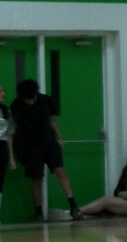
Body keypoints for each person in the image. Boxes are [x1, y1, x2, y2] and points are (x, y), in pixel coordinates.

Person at [9, 79, 82, 221]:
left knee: (60, 170)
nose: (30, 102)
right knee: (36, 179)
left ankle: (73, 205)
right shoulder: (16, 105)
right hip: (30, 146)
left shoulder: (45, 100)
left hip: (49, 141)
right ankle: (38, 213)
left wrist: (60, 138)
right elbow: (13, 129)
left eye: (32, 99)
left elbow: (51, 120)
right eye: (27, 100)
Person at [0, 85, 15, 213]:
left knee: (0, 181)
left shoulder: (6, 111)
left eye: (3, 90)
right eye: (0, 91)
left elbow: (9, 135)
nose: (3, 93)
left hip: (2, 147)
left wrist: (11, 158)